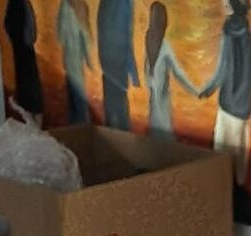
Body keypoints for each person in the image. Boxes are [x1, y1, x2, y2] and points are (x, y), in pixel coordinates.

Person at [200, 0, 251, 190]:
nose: (223, 3)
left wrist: (208, 89)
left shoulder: (228, 30)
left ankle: (221, 192)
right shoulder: (248, 33)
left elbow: (222, 68)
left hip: (228, 103)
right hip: (244, 105)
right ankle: (239, 191)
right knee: (240, 155)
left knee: (221, 153)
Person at [144, 2, 202, 138]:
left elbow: (146, 70)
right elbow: (179, 73)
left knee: (155, 134)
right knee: (165, 135)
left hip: (153, 97)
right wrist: (196, 91)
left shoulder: (148, 39)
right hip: (162, 98)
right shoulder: (165, 47)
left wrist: (150, 81)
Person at [97, 0, 138, 131]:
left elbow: (101, 26)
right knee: (120, 110)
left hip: (107, 62)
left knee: (112, 109)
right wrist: (133, 71)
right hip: (117, 62)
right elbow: (126, 35)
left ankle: (113, 137)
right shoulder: (124, 3)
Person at [3, 0, 44, 119]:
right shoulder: (16, 2)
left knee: (29, 80)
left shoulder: (22, 2)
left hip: (25, 47)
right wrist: (19, 40)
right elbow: (9, 24)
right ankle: (30, 108)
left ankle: (32, 108)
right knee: (27, 81)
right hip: (22, 47)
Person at [56, 0, 94, 125]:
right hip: (77, 55)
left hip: (71, 55)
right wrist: (89, 60)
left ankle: (79, 127)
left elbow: (60, 36)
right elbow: (87, 37)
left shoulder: (66, 6)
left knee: (75, 95)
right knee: (77, 95)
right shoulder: (79, 5)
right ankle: (80, 126)